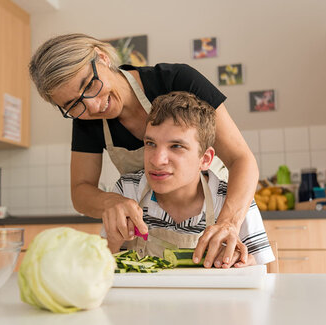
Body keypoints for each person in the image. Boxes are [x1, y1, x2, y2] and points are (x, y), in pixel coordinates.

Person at [29, 33, 259, 268]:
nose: (94, 106)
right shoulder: (85, 119)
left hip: (225, 211)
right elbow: (80, 192)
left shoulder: (177, 80)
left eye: (89, 85)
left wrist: (229, 223)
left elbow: (241, 159)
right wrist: (111, 202)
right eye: (73, 105)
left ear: (102, 58)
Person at [104, 91, 274, 267]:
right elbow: (102, 269)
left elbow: (266, 272)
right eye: (151, 144)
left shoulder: (231, 199)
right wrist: (113, 240)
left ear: (205, 159)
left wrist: (245, 263)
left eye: (176, 146)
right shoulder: (127, 190)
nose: (156, 160)